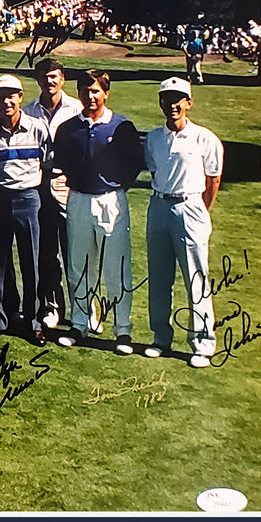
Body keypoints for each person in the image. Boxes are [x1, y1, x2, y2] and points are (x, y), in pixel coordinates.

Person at [51, 69, 143, 354]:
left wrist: (115, 186)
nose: (90, 96)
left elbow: (133, 165)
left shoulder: (120, 127)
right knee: (79, 265)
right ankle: (80, 324)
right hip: (77, 199)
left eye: (95, 91)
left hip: (110, 201)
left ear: (105, 93)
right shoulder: (67, 128)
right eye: (85, 90)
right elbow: (63, 162)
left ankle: (122, 331)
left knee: (116, 268)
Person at [143, 77, 224, 368]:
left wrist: (200, 209)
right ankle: (160, 338)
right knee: (159, 276)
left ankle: (203, 344)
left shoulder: (205, 138)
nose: (173, 104)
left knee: (196, 277)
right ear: (161, 102)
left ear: (189, 103)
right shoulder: (153, 138)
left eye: (179, 99)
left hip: (190, 206)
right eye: (167, 99)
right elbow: (154, 170)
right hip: (159, 206)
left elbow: (213, 179)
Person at [0, 74, 51, 344]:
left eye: (12, 95)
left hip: (29, 200)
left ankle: (32, 321)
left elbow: (48, 162)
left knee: (31, 262)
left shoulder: (37, 127)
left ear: (20, 97)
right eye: (1, 96)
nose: (6, 101)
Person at [22, 57, 83, 328]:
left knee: (76, 250)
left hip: (69, 185)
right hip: (38, 185)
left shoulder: (76, 109)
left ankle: (83, 307)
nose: (50, 81)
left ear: (63, 79)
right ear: (38, 81)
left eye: (55, 76)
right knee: (47, 252)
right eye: (45, 77)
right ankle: (51, 305)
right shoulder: (28, 112)